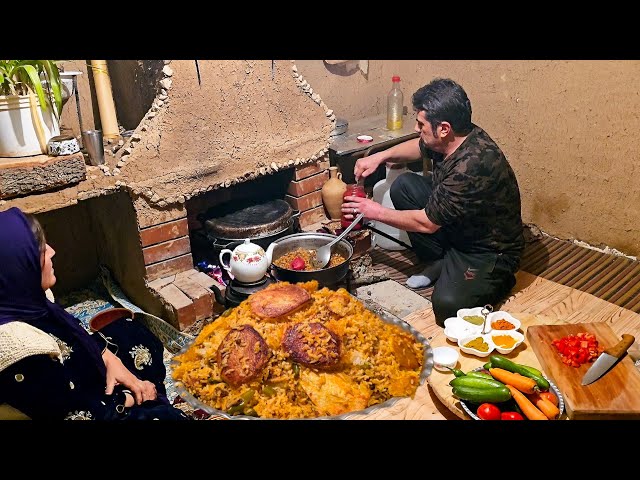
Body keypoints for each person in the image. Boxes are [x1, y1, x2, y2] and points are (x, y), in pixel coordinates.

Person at [344, 78, 524, 327]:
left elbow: (427, 223)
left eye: (421, 124)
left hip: (488, 250)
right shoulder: (456, 135)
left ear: (443, 129)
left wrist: (372, 211)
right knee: (404, 186)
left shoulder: (471, 165)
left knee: (448, 306)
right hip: (460, 225)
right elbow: (419, 147)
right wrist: (380, 156)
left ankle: (496, 278)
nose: (417, 129)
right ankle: (442, 261)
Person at [0, 207, 189, 420]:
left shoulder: (22, 299)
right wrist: (130, 396)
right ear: (19, 267)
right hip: (89, 407)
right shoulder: (23, 356)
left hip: (79, 374)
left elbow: (70, 332)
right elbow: (77, 413)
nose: (52, 252)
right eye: (41, 251)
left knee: (134, 335)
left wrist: (106, 357)